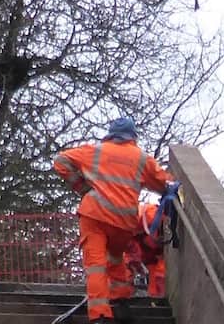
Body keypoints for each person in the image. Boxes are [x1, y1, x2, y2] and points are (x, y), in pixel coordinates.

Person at [51, 116, 175, 324]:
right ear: (132, 136)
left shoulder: (96, 151)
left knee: (96, 265)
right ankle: (120, 302)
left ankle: (100, 315)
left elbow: (61, 161)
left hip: (95, 215)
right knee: (116, 258)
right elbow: (164, 183)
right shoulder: (141, 158)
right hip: (123, 222)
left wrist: (82, 188)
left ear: (111, 135)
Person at [136, 202, 168, 297]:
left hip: (157, 253)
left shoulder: (150, 216)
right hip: (152, 255)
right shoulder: (138, 232)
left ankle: (157, 296)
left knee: (159, 275)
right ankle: (155, 296)